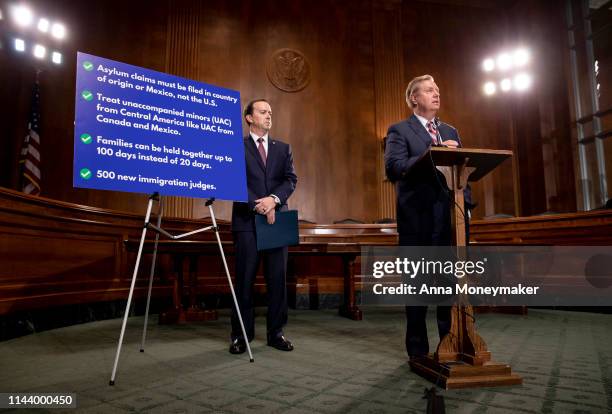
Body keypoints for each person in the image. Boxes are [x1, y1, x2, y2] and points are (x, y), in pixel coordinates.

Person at [384, 74, 461, 359]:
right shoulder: (399, 131)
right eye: (429, 90)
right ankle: (417, 352)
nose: (436, 94)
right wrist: (432, 154)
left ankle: (448, 346)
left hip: (447, 222)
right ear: (414, 98)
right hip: (417, 221)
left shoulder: (450, 131)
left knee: (446, 290)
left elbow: (462, 170)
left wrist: (466, 209)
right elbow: (394, 168)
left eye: (437, 90)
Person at [229, 99, 298, 354]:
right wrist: (258, 204)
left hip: (277, 222)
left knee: (277, 281)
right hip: (247, 222)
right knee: (244, 281)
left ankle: (276, 333)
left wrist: (273, 200)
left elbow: (291, 180)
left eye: (270, 111)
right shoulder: (237, 147)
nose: (269, 115)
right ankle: (240, 336)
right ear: (249, 117)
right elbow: (232, 179)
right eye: (262, 111)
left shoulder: (283, 148)